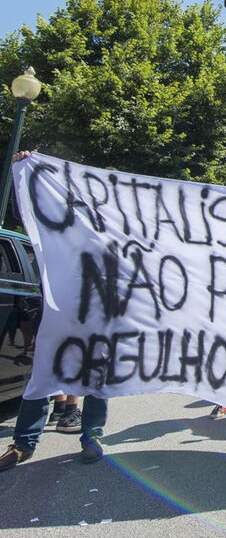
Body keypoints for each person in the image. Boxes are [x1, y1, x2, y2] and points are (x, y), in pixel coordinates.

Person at [0, 150, 110, 472]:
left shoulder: (107, 234)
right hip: (58, 308)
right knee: (42, 373)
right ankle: (23, 444)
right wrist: (25, 166)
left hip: (98, 312)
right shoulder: (59, 224)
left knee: (96, 375)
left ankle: (91, 435)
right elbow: (35, 210)